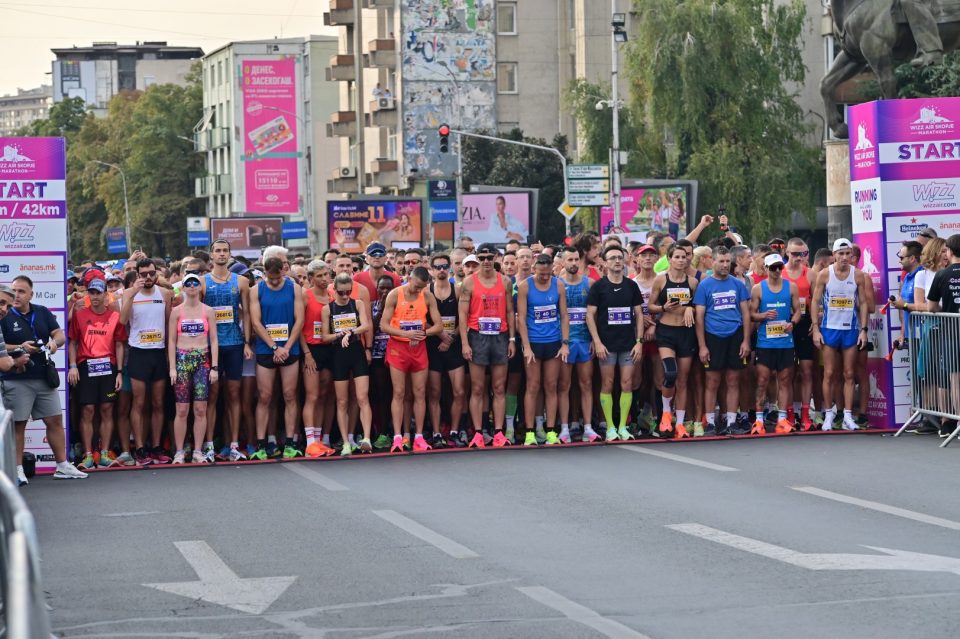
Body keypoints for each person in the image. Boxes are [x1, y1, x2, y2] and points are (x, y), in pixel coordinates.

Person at [2, 277, 85, 480]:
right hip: (16, 378)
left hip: (43, 376)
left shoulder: (42, 311)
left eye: (22, 291)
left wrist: (55, 343)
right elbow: (2, 346)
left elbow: (59, 334)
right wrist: (21, 346)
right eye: (14, 291)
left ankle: (63, 465)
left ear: (31, 294)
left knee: (55, 420)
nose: (17, 296)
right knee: (18, 425)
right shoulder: (4, 315)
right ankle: (18, 470)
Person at [380, 266, 444, 452]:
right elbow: (384, 325)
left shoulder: (427, 295)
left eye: (422, 287)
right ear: (409, 278)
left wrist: (422, 334)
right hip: (398, 348)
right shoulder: (394, 294)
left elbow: (438, 326)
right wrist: (406, 334)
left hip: (418, 348)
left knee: (419, 392)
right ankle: (398, 437)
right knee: (399, 392)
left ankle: (419, 436)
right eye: (416, 286)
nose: (418, 290)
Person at [459, 243, 516, 448]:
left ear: (495, 258)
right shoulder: (469, 283)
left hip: (500, 337)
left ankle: (499, 432)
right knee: (477, 387)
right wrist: (465, 343)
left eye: (489, 257)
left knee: (499, 387)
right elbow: (463, 314)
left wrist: (511, 339)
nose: (485, 261)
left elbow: (510, 312)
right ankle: (477, 432)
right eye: (481, 258)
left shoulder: (506, 281)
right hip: (477, 336)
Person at [811, 238, 871, 432]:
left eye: (848, 254)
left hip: (851, 330)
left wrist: (863, 330)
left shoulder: (858, 275)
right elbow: (815, 301)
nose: (845, 257)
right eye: (841, 254)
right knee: (829, 373)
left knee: (849, 373)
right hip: (829, 329)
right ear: (834, 255)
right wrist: (816, 329)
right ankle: (829, 414)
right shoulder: (824, 275)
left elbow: (863, 303)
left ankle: (847, 415)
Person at [586, 245, 645, 441]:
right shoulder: (598, 287)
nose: (617, 261)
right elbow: (590, 316)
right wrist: (597, 342)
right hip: (607, 345)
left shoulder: (631, 286)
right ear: (604, 262)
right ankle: (610, 427)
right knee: (607, 384)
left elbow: (639, 315)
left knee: (627, 383)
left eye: (620, 257)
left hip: (628, 344)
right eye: (612, 258)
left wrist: (639, 342)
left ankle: (623, 427)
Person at [68, 277, 127, 470]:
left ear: (105, 295)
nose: (94, 297)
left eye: (98, 293)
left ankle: (103, 453)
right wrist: (73, 366)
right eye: (91, 293)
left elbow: (119, 344)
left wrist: (119, 372)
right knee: (88, 410)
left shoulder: (114, 316)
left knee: (107, 409)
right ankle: (87, 455)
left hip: (108, 367)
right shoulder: (80, 315)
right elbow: (73, 342)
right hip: (86, 366)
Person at [249, 256, 304, 459]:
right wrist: (274, 347)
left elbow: (300, 320)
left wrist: (287, 347)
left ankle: (290, 442)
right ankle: (262, 443)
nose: (273, 281)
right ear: (265, 272)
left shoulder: (294, 288)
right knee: (264, 396)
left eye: (276, 277)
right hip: (266, 348)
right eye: (269, 278)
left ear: (283, 271)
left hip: (290, 348)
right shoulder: (256, 290)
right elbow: (256, 322)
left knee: (290, 395)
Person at [119, 258, 173, 464]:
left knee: (158, 403)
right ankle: (140, 447)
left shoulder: (165, 294)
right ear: (138, 275)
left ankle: (157, 446)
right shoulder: (129, 293)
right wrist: (132, 293)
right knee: (139, 403)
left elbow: (169, 326)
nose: (148, 278)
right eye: (144, 274)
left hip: (158, 353)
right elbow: (123, 321)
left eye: (152, 273)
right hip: (138, 352)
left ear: (156, 274)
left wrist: (170, 357)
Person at [694, 247, 752, 435]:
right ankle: (710, 422)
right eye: (721, 261)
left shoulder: (738, 284)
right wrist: (702, 346)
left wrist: (745, 341)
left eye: (728, 261)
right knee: (712, 381)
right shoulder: (704, 285)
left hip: (734, 335)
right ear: (713, 262)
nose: (725, 265)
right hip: (713, 336)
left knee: (733, 379)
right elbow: (699, 318)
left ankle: (732, 421)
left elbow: (745, 313)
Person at [203, 239, 251, 462]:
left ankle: (233, 444)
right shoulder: (202, 282)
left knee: (233, 394)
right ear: (211, 255)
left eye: (225, 251)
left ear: (230, 255)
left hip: (234, 344)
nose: (221, 254)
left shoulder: (241, 282)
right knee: (212, 396)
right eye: (217, 251)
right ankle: (210, 445)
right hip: (210, 347)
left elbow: (247, 314)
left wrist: (248, 342)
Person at [517, 254, 570, 445]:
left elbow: (564, 315)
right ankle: (530, 431)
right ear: (534, 269)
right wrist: (527, 347)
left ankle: (551, 430)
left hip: (553, 342)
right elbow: (521, 318)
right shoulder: (525, 286)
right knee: (532, 386)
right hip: (534, 342)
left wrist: (565, 343)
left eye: (548, 274)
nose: (545, 277)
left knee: (551, 386)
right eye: (541, 274)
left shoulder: (558, 285)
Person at [166, 273, 218, 464]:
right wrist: (172, 367)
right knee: (181, 409)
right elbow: (171, 341)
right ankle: (179, 451)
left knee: (200, 408)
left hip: (202, 361)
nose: (193, 286)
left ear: (200, 287)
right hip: (182, 360)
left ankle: (197, 450)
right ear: (184, 287)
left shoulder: (208, 311)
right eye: (189, 283)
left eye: (196, 282)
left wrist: (214, 367)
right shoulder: (177, 311)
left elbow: (214, 340)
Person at [649, 245, 699, 437]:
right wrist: (663, 307)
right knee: (670, 373)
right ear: (669, 259)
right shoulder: (661, 280)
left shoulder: (693, 282)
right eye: (677, 257)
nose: (681, 260)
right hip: (666, 332)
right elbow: (651, 306)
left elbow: (698, 307)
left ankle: (680, 422)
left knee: (683, 380)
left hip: (686, 333)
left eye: (684, 257)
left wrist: (690, 309)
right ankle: (666, 413)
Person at [321, 272, 374, 455]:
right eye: (341, 293)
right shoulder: (328, 309)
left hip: (356, 352)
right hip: (338, 356)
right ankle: (345, 442)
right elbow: (325, 337)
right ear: (334, 290)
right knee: (342, 401)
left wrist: (350, 332)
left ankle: (366, 438)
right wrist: (339, 335)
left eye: (348, 292)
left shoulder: (356, 303)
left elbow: (366, 325)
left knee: (362, 397)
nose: (345, 296)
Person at [749, 254, 801, 435]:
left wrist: (792, 324)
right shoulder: (758, 289)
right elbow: (751, 314)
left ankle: (781, 419)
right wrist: (763, 316)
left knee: (785, 380)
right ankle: (758, 420)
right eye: (773, 268)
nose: (777, 271)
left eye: (780, 267)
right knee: (763, 380)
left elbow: (798, 312)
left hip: (785, 342)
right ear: (766, 268)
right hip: (765, 342)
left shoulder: (791, 287)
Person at [558, 246, 598, 442]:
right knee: (564, 385)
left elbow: (595, 315)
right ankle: (564, 428)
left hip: (584, 341)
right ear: (563, 263)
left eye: (576, 259)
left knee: (586, 384)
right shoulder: (556, 284)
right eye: (570, 260)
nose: (573, 263)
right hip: (565, 342)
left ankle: (588, 427)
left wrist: (594, 339)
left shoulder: (589, 283)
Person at [426, 253, 466, 449]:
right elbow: (422, 318)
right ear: (432, 270)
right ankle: (435, 433)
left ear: (449, 268)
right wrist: (441, 336)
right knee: (434, 392)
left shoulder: (457, 291)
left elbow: (464, 318)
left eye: (444, 266)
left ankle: (454, 431)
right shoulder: (426, 291)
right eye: (437, 267)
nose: (441, 270)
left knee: (459, 391)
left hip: (454, 344)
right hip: (433, 346)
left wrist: (450, 339)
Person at [300, 260, 337, 457]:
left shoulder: (333, 295)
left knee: (325, 395)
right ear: (311, 278)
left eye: (326, 274)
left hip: (330, 348)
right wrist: (306, 354)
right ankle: (310, 442)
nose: (324, 279)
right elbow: (298, 328)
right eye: (319, 276)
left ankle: (321, 439)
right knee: (312, 396)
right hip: (312, 349)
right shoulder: (305, 297)